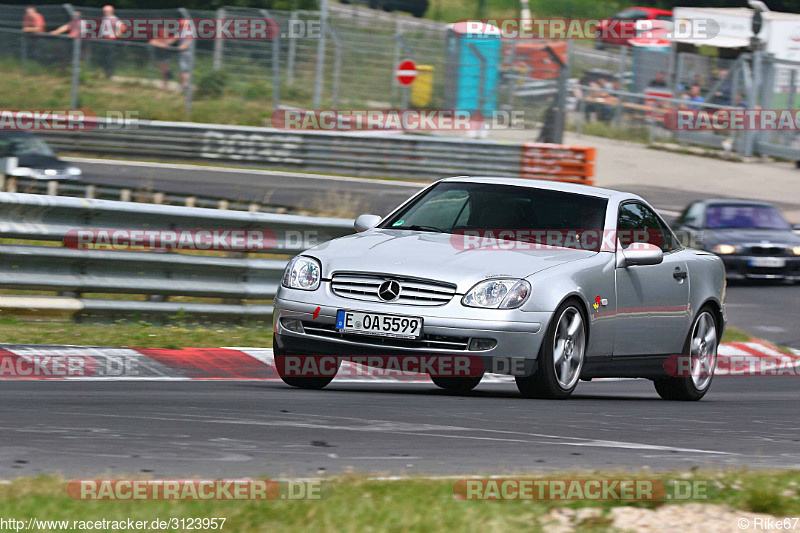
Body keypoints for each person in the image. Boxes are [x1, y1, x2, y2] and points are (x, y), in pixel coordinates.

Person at [98, 5, 125, 78]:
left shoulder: (114, 19)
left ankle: (109, 74)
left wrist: (115, 36)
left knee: (109, 58)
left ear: (111, 11)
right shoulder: (104, 18)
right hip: (103, 39)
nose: (104, 12)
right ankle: (105, 73)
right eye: (104, 11)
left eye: (106, 11)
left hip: (109, 41)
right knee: (103, 57)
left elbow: (123, 28)